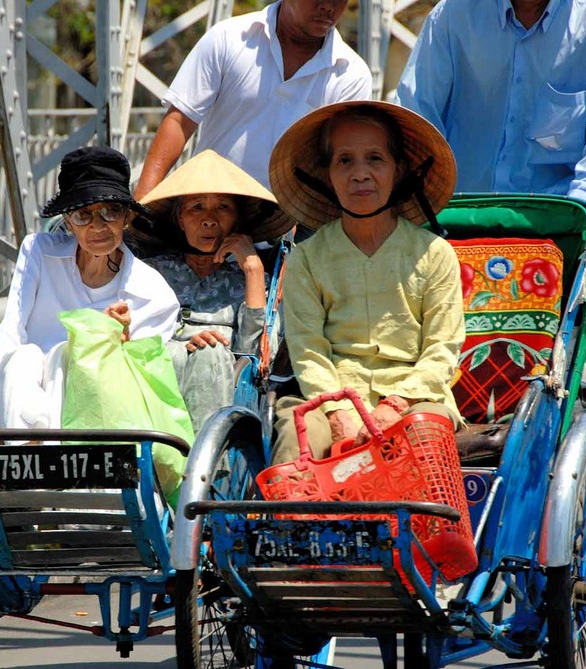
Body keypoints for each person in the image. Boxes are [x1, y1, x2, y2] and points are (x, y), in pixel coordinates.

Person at [266, 100, 465, 465]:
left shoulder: (434, 253)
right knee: (299, 437)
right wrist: (338, 413)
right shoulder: (308, 258)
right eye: (345, 160)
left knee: (421, 435)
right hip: (328, 399)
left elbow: (442, 348)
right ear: (328, 174)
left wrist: (397, 404)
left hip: (417, 399)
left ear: (398, 170)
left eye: (375, 158)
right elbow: (308, 351)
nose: (360, 174)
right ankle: (291, 522)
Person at [0, 146, 180, 430]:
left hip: (102, 417)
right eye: (83, 215)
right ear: (68, 223)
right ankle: (31, 451)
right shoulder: (38, 251)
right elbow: (12, 329)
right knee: (25, 357)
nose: (98, 226)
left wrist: (120, 338)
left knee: (66, 356)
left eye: (110, 212)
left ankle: (34, 450)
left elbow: (140, 379)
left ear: (126, 218)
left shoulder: (153, 294)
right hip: (22, 396)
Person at [395, 0, 586, 221]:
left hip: (555, 229)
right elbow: (415, 120)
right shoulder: (453, 15)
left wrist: (579, 212)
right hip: (457, 223)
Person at [133, 0, 372, 200]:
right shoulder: (228, 38)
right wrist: (142, 202)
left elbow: (342, 162)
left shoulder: (351, 74)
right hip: (209, 212)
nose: (328, 6)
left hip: (291, 228)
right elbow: (179, 122)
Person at [135, 150, 293, 432]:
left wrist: (253, 270)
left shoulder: (252, 277)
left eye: (223, 207)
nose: (209, 219)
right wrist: (182, 347)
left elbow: (254, 358)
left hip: (225, 384)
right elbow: (136, 337)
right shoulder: (150, 272)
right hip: (160, 373)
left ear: (237, 221)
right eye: (196, 207)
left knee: (211, 355)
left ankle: (206, 468)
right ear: (180, 219)